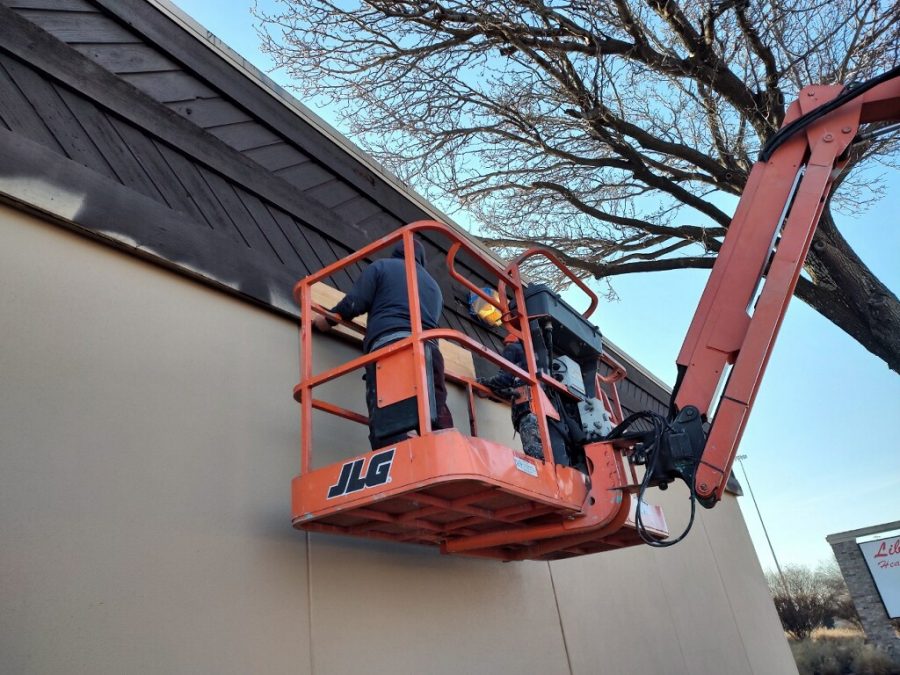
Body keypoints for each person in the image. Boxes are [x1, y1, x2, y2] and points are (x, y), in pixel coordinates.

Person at [313, 239, 453, 450]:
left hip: (392, 350)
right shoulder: (435, 287)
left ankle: (398, 463)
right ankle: (446, 457)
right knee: (434, 417)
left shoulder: (382, 267)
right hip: (430, 353)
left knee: (389, 425)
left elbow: (355, 303)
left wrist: (327, 320)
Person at [476, 333, 545, 461]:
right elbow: (513, 390)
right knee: (547, 454)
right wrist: (494, 394)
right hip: (544, 414)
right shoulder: (535, 358)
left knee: (536, 459)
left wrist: (484, 382)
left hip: (528, 412)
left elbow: (504, 379)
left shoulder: (512, 348)